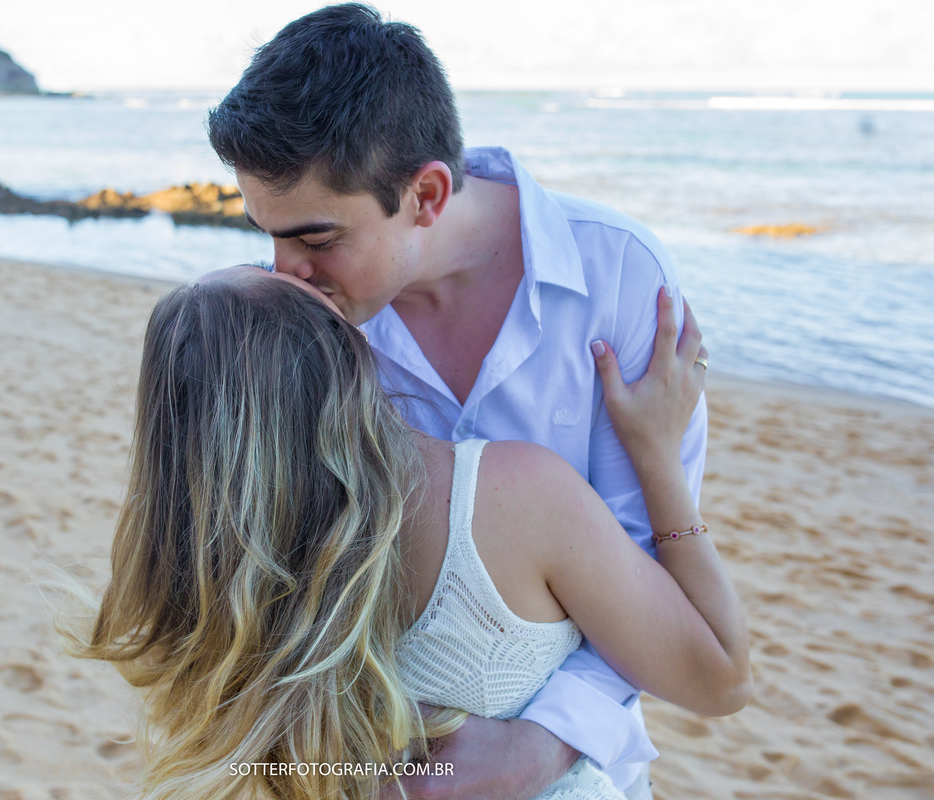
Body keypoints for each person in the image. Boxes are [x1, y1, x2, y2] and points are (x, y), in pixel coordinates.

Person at [205, 5, 713, 797]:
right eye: (266, 236)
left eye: (314, 239)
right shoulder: (297, 318)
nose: (283, 272)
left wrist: (539, 748)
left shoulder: (619, 278)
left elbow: (642, 569)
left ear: (428, 194)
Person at [69, 267, 749, 800]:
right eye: (317, 298)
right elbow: (719, 679)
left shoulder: (214, 603)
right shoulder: (513, 500)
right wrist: (659, 458)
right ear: (338, 358)